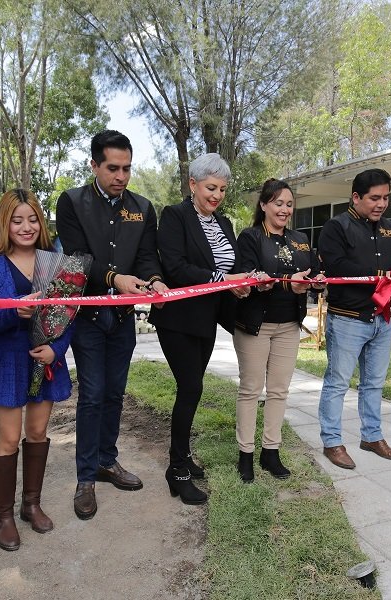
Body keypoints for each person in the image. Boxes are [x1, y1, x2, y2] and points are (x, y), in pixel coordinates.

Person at [56, 130, 169, 520]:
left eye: (127, 168)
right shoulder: (71, 202)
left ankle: (107, 460)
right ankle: (85, 476)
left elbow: (146, 256)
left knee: (115, 393)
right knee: (92, 393)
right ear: (94, 165)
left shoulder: (142, 207)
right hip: (87, 316)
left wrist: (154, 280)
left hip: (122, 318)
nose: (121, 176)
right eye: (113, 168)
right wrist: (113, 279)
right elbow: (76, 258)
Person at [0, 189, 74, 550]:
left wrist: (56, 349)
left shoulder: (57, 260)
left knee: (37, 431)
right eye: (17, 220)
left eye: (32, 219)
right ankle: (3, 516)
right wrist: (14, 311)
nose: (26, 226)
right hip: (7, 358)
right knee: (9, 437)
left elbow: (69, 313)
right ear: (4, 223)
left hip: (45, 358)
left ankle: (31, 504)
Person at [148, 153, 250, 502]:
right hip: (178, 319)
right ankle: (177, 469)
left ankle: (184, 458)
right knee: (190, 388)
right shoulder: (175, 217)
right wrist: (224, 278)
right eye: (210, 187)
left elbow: (229, 268)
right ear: (193, 184)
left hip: (206, 321)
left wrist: (239, 283)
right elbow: (175, 268)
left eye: (222, 189)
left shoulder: (224, 224)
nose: (217, 195)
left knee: (194, 388)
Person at [316, 169, 391, 469]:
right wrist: (382, 277)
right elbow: (336, 267)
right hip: (347, 319)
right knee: (338, 382)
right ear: (356, 197)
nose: (381, 204)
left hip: (383, 319)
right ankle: (332, 442)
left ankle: (372, 437)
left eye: (385, 197)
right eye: (374, 198)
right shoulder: (336, 227)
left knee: (373, 384)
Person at [233, 178, 322, 481]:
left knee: (279, 390)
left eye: (288, 204)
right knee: (250, 390)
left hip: (289, 325)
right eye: (278, 203)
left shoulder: (300, 239)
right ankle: (245, 453)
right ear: (264, 205)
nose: (284, 209)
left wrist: (316, 281)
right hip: (256, 325)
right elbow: (248, 276)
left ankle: (271, 451)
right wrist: (286, 281)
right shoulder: (250, 237)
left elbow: (311, 272)